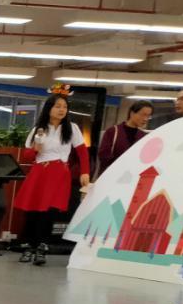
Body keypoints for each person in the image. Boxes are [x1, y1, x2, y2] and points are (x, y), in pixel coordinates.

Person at [15, 94, 90, 267]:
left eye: (64, 107)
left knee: (50, 211)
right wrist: (36, 148)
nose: (61, 110)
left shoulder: (72, 128)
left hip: (59, 174)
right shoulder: (38, 129)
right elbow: (27, 156)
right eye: (57, 106)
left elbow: (82, 152)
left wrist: (85, 172)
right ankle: (29, 246)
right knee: (33, 210)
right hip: (39, 172)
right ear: (48, 108)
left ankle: (42, 246)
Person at [96, 101, 152, 178]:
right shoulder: (113, 132)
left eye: (148, 116)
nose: (145, 119)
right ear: (132, 113)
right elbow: (104, 156)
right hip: (110, 177)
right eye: (143, 115)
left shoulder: (143, 136)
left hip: (131, 179)